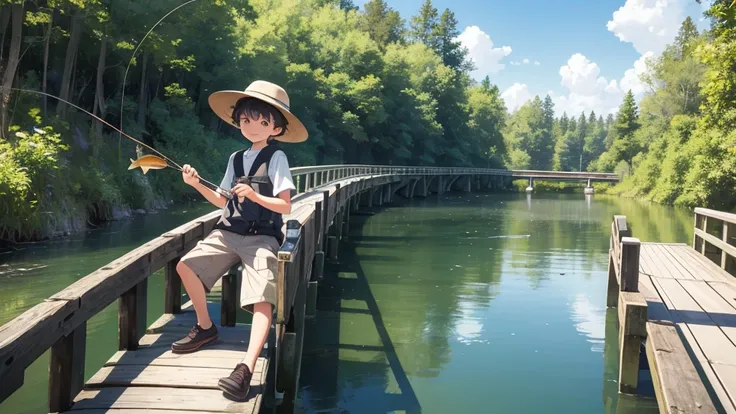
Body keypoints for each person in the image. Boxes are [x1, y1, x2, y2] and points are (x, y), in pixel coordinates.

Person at [171, 80, 308, 401]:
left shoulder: (277, 158)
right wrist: (195, 185)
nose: (252, 126)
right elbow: (222, 200)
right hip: (228, 231)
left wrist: (255, 196)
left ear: (275, 127)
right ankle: (206, 327)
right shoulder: (235, 158)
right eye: (246, 120)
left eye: (261, 121)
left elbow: (286, 205)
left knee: (262, 296)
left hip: (262, 237)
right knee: (186, 266)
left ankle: (245, 367)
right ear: (239, 122)